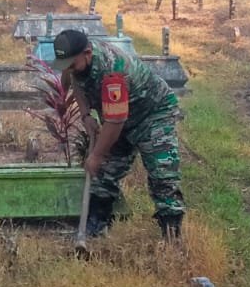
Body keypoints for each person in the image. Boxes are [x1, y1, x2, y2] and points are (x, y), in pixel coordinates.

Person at [49, 28, 185, 239]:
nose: (69, 69)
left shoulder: (113, 74)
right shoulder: (78, 61)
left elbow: (115, 122)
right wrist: (85, 115)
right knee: (103, 173)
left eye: (72, 64)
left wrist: (96, 155)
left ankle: (171, 234)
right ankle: (96, 224)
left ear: (87, 53)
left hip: (152, 114)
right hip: (119, 114)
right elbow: (75, 81)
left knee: (162, 175)